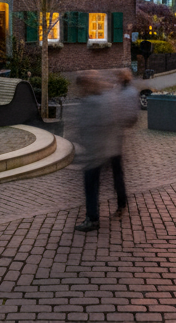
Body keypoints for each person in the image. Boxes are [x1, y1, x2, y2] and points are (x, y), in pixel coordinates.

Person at [73, 71, 122, 232]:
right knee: (94, 184)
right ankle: (94, 215)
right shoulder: (105, 97)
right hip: (103, 150)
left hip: (95, 152)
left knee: (90, 185)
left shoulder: (92, 101)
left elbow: (90, 126)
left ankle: (92, 218)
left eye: (82, 85)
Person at [108, 69, 140, 216]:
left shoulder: (124, 92)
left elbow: (131, 115)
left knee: (115, 170)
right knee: (116, 170)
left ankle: (121, 202)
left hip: (113, 134)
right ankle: (121, 201)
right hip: (114, 134)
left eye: (119, 76)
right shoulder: (123, 90)